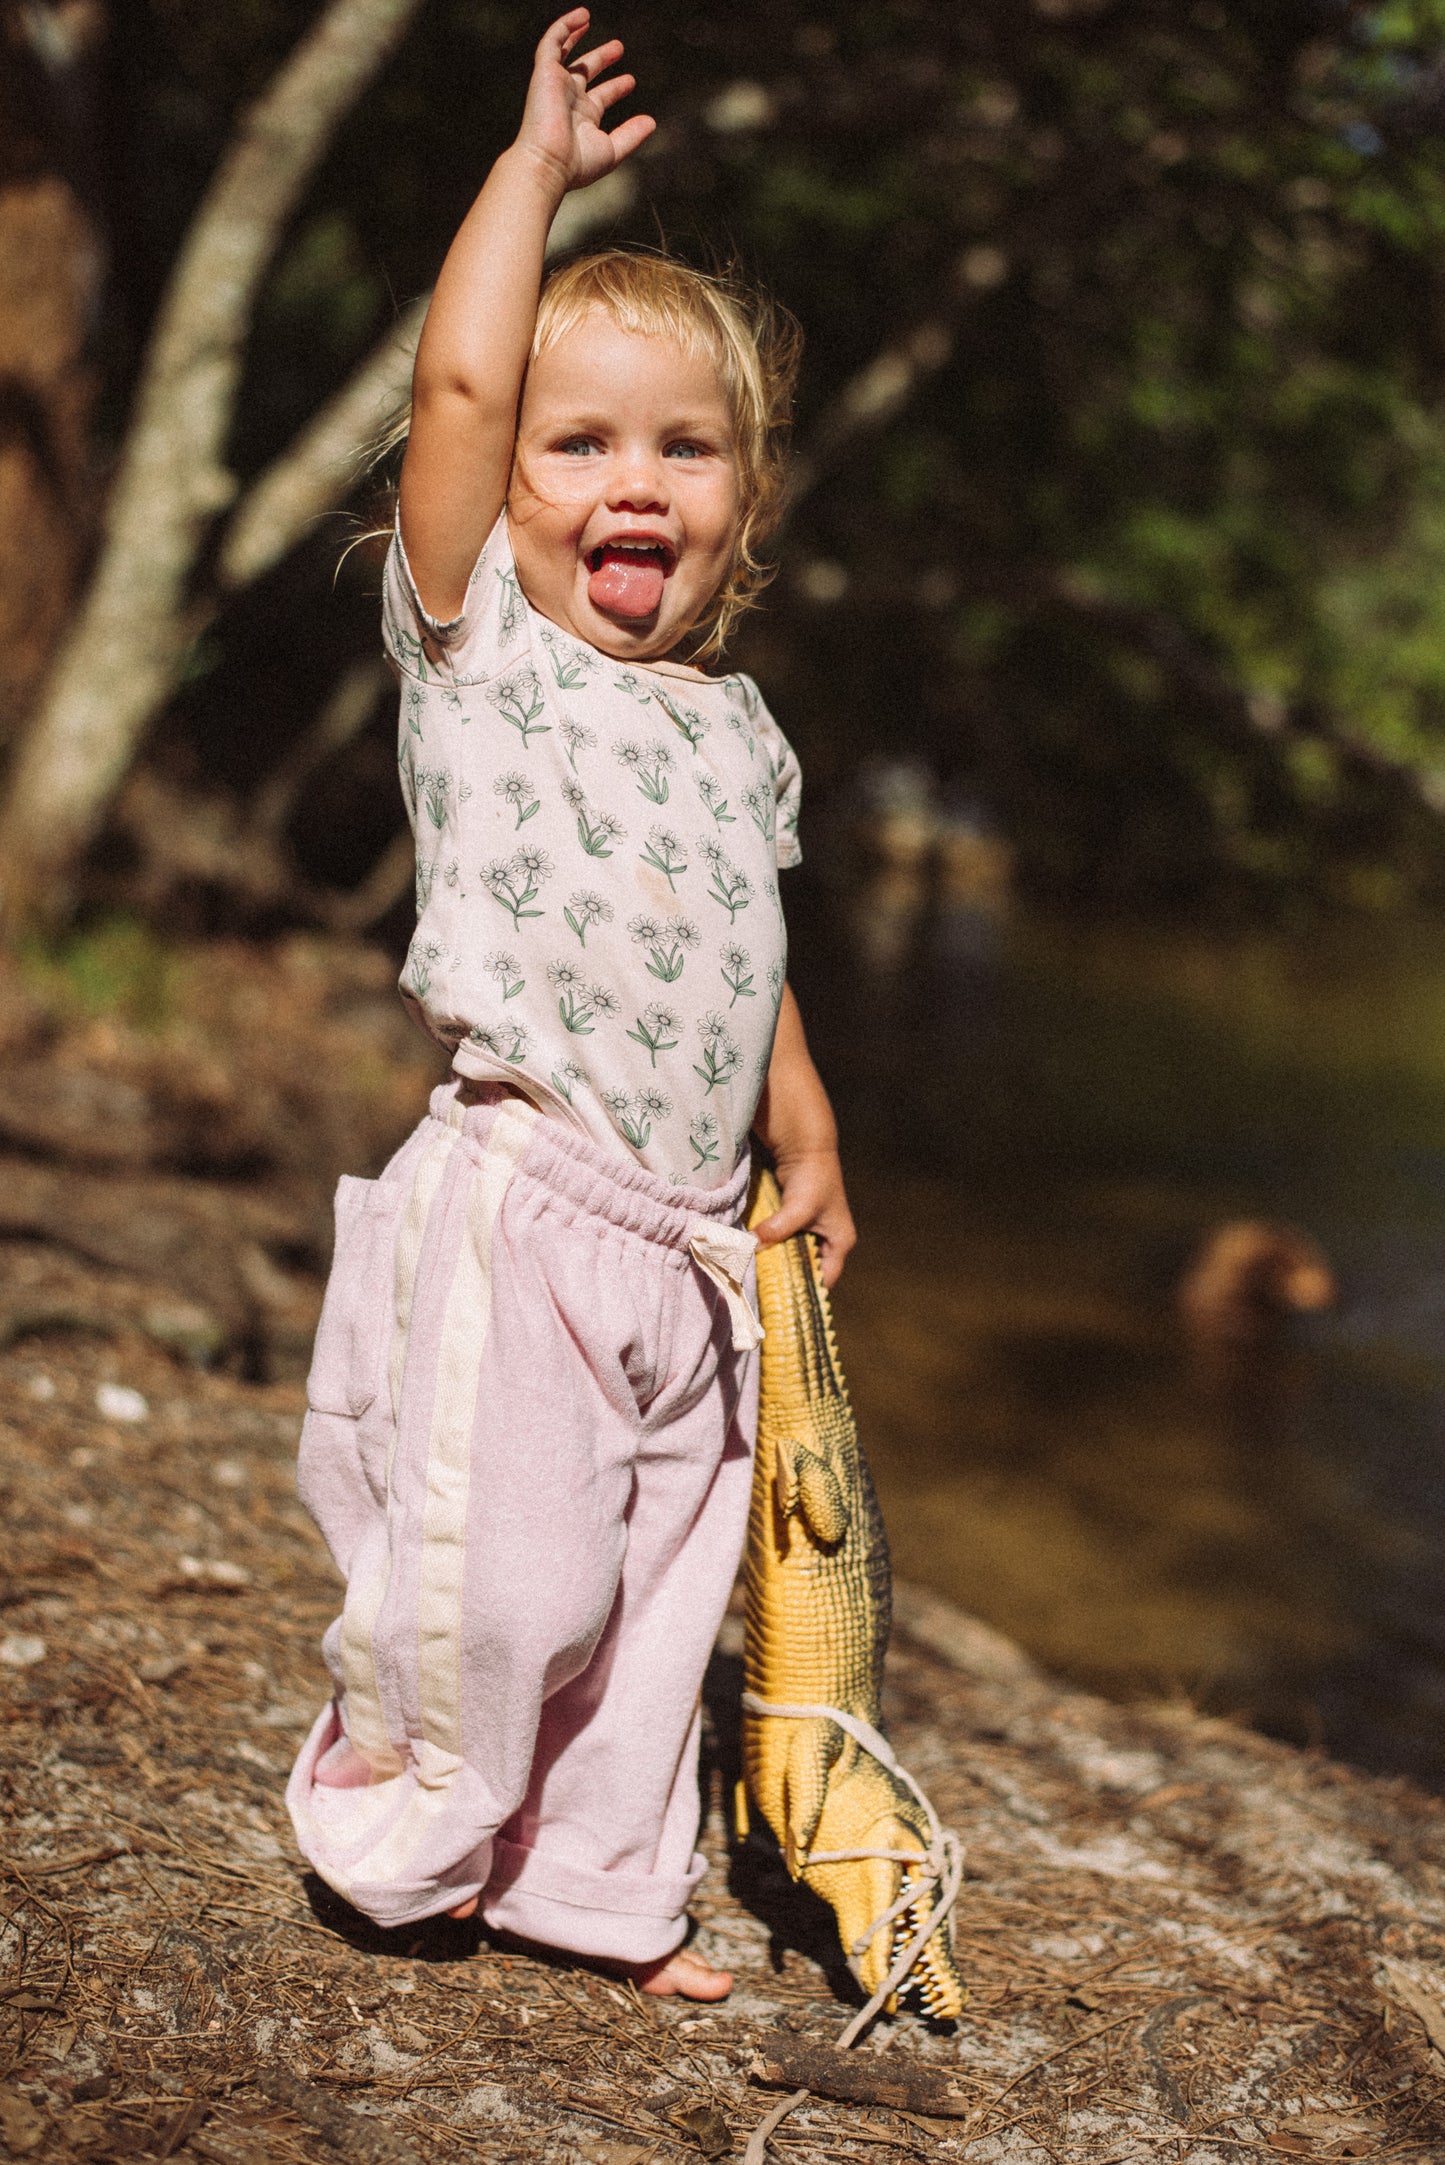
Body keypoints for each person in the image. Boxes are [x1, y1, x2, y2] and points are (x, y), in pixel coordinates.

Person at [286, 10, 854, 2001]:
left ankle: (593, 1894)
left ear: (745, 496)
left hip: (685, 1248)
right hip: (522, 1211)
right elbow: (453, 375)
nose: (635, 483)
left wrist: (804, 1119)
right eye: (578, 442)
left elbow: (747, 939)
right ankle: (407, 1818)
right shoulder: (486, 655)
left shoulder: (739, 732)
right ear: (505, 482)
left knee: (656, 1598)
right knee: (504, 1578)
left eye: (683, 448)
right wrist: (532, 176)